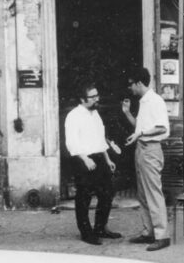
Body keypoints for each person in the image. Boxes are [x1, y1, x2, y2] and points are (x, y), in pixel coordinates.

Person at [64, 82, 120, 245]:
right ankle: (86, 232)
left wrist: (108, 159)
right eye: (93, 97)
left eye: (97, 95)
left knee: (107, 193)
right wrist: (85, 159)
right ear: (82, 99)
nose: (97, 99)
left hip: (99, 157)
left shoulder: (95, 114)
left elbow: (100, 139)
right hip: (83, 159)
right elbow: (71, 142)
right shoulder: (74, 116)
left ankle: (100, 228)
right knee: (84, 197)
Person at [122, 67, 171, 251]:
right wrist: (127, 113)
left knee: (153, 193)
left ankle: (162, 235)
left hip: (151, 150)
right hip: (141, 149)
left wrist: (141, 133)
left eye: (131, 84)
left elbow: (161, 128)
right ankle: (149, 231)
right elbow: (140, 127)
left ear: (139, 83)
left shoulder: (155, 101)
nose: (129, 88)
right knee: (142, 194)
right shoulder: (143, 101)